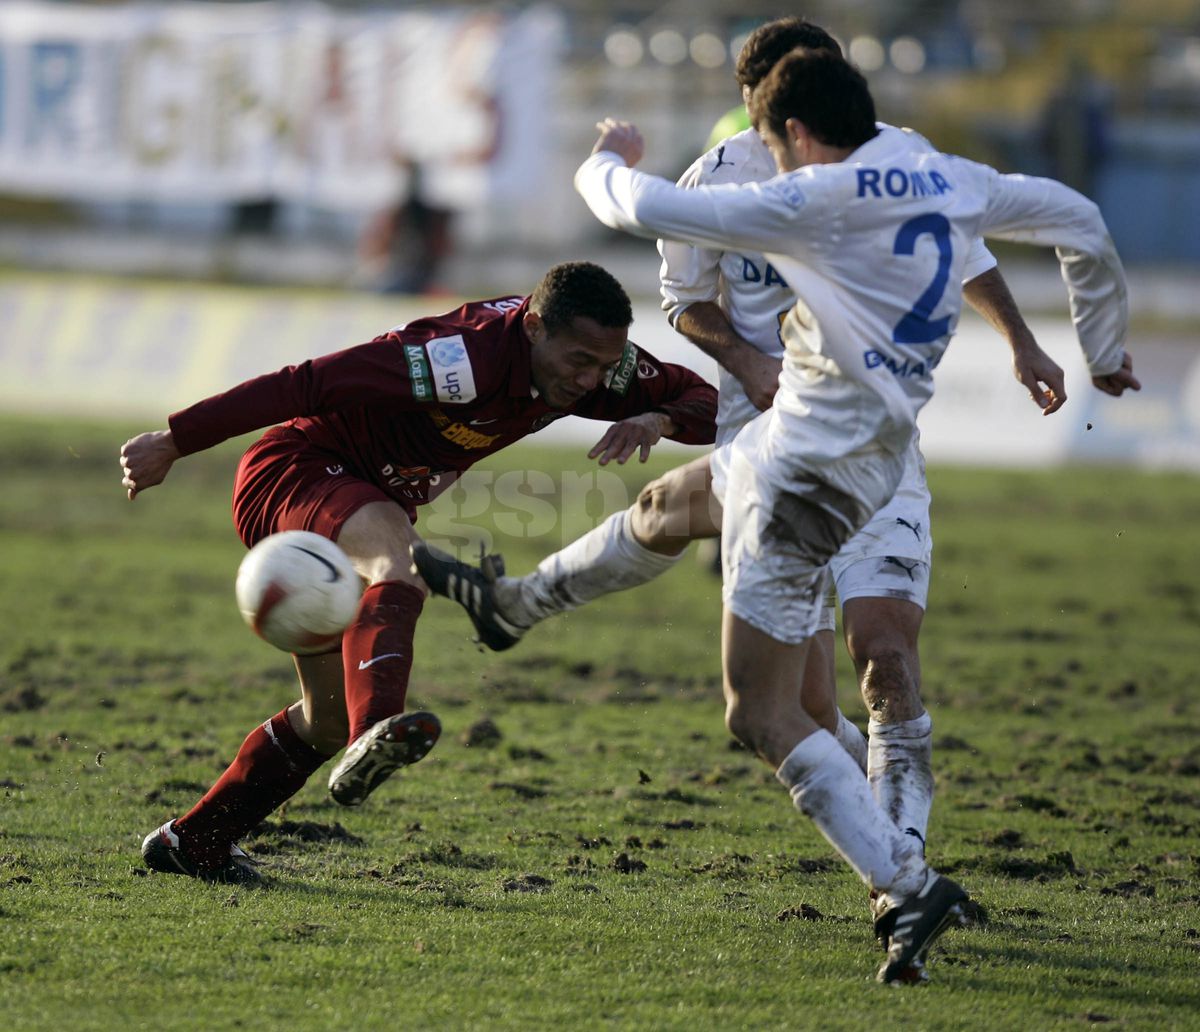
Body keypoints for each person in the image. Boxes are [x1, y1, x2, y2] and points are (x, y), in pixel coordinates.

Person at [414, 17, 1069, 880]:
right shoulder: (720, 178)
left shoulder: (899, 158)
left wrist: (1020, 341)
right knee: (778, 679)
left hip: (869, 446)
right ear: (762, 105)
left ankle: (902, 870)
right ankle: (518, 608)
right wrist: (750, 360)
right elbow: (684, 299)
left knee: (877, 658)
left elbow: (971, 253)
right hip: (763, 435)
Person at [569, 51, 1138, 983]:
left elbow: (640, 209)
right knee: (800, 702)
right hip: (791, 454)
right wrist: (1103, 347)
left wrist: (608, 157)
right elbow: (685, 302)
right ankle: (901, 872)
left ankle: (902, 881)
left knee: (834, 675)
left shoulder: (844, 180)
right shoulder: (826, 170)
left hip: (834, 461)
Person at [118, 261, 717, 885]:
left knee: (324, 719)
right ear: (535, 328)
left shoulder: (600, 366)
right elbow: (305, 384)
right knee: (400, 566)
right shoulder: (455, 359)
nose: (592, 380)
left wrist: (659, 420)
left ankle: (194, 842)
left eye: (604, 363)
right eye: (580, 361)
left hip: (373, 498)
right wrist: (175, 440)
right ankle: (377, 727)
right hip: (299, 469)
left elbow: (708, 400)